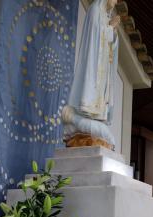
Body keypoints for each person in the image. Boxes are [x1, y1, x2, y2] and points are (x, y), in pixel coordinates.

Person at [61, 0, 120, 150]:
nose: (116, 2)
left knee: (105, 135)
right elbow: (96, 39)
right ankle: (80, 115)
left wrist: (113, 32)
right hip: (94, 67)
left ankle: (88, 119)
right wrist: (110, 28)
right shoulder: (95, 10)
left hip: (102, 72)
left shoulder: (105, 16)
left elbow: (109, 44)